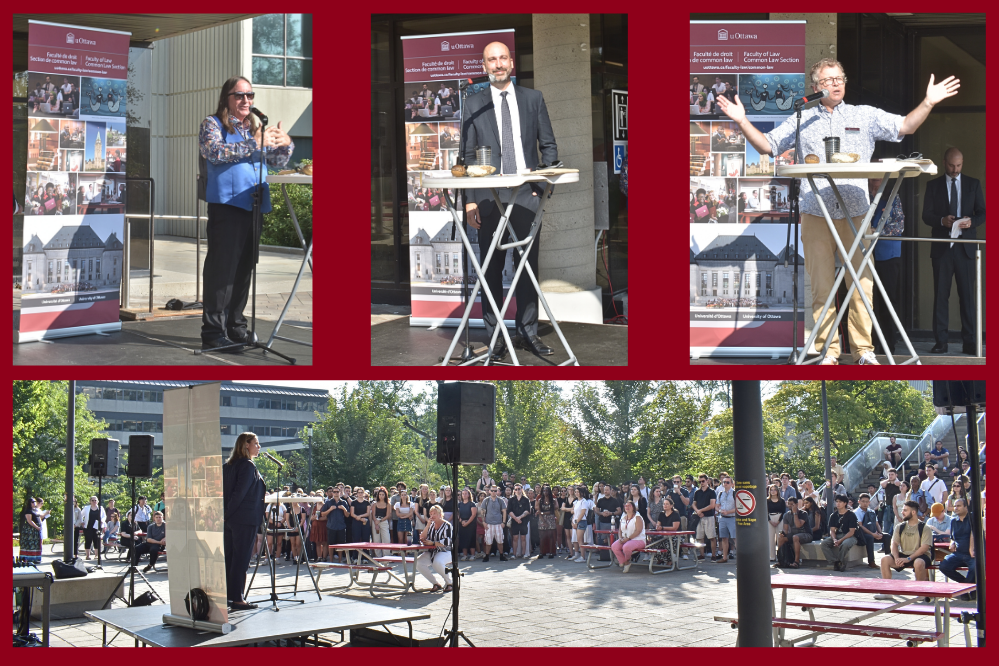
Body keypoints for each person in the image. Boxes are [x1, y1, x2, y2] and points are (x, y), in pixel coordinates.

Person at [717, 59, 960, 365]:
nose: (836, 83)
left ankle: (863, 351)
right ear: (816, 87)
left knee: (861, 284)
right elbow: (768, 146)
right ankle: (828, 351)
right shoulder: (802, 116)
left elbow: (904, 126)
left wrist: (928, 102)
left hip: (856, 211)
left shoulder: (864, 115)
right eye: (828, 80)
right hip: (815, 211)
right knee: (821, 286)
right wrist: (742, 120)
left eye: (840, 78)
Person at [462, 41, 559, 361]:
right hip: (488, 199)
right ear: (484, 65)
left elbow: (549, 147)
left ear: (512, 63)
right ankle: (495, 338)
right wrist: (470, 201)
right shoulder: (473, 103)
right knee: (491, 269)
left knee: (527, 266)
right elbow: (466, 155)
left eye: (503, 58)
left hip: (526, 197)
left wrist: (541, 187)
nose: (498, 64)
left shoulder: (533, 99)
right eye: (492, 59)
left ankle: (528, 332)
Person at [198, 76, 293, 352]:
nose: (246, 101)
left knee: (243, 270)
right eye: (239, 96)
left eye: (250, 96)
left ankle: (236, 327)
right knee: (221, 271)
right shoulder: (212, 124)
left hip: (253, 205)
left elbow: (276, 161)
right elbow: (214, 153)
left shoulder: (253, 127)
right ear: (226, 98)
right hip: (227, 207)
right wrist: (255, 143)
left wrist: (285, 144)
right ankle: (213, 333)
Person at [921, 148, 986, 354]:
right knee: (941, 296)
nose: (955, 170)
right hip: (942, 248)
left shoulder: (973, 184)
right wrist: (942, 220)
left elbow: (983, 213)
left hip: (966, 248)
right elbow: (926, 215)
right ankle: (941, 342)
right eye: (951, 165)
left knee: (968, 297)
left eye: (958, 166)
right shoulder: (933, 185)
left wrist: (970, 222)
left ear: (962, 163)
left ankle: (970, 343)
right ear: (944, 162)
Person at [222, 432, 266, 611]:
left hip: (230, 519)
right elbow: (239, 493)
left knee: (231, 558)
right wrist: (228, 513)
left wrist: (225, 515)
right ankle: (238, 598)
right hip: (243, 518)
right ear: (246, 445)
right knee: (241, 559)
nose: (259, 446)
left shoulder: (228, 465)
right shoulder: (247, 466)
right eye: (256, 443)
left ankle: (229, 595)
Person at [866, 178, 905, 355]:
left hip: (888, 255)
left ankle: (889, 345)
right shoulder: (862, 195)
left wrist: (875, 232)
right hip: (865, 256)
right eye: (873, 177)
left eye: (879, 177)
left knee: (888, 301)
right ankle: (869, 344)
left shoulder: (892, 197)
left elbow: (899, 226)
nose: (876, 181)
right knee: (868, 301)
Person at [875, 501, 933, 598]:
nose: (902, 512)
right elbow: (893, 544)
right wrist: (897, 558)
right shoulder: (900, 526)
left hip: (920, 555)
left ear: (913, 512)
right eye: (902, 510)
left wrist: (909, 559)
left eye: (905, 510)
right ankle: (887, 591)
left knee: (919, 562)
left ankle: (920, 592)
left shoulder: (924, 527)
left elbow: (924, 548)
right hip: (904, 554)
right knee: (885, 559)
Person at [939, 497, 976, 600]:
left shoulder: (973, 518)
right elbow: (953, 537)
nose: (955, 508)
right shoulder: (953, 521)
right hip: (958, 554)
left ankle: (964, 591)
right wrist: (952, 542)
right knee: (943, 566)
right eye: (955, 506)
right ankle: (969, 587)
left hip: (972, 554)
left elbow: (974, 534)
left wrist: (971, 549)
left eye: (958, 506)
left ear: (966, 507)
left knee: (975, 567)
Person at [416, 505, 453, 593]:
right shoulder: (431, 525)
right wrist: (428, 525)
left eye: (434, 514)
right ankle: (435, 583)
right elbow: (422, 537)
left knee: (437, 562)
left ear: (440, 514)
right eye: (431, 514)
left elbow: (447, 541)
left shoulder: (447, 525)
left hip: (445, 551)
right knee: (418, 563)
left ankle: (450, 583)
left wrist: (433, 543)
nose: (432, 516)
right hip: (432, 551)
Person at [820, 495, 859, 572]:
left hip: (849, 536)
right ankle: (835, 561)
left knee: (845, 544)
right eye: (837, 501)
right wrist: (834, 539)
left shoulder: (851, 515)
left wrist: (840, 540)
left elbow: (851, 532)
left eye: (840, 502)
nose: (838, 503)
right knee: (824, 543)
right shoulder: (833, 515)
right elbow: (832, 530)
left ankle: (841, 562)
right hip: (837, 535)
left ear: (845, 503)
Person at [612, 501, 646, 573]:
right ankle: (624, 562)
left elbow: (638, 531)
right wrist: (620, 538)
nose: (627, 507)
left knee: (626, 547)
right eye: (626, 506)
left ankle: (627, 561)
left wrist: (628, 539)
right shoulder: (623, 517)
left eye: (629, 506)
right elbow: (620, 530)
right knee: (614, 546)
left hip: (638, 539)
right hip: (625, 539)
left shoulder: (638, 517)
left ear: (633, 507)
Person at [691, 474, 718, 561]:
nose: (701, 483)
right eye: (700, 481)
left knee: (711, 536)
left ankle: (714, 555)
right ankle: (701, 555)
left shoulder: (711, 492)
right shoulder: (697, 492)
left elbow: (712, 505)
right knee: (699, 536)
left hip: (709, 516)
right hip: (699, 517)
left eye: (703, 481)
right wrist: (698, 511)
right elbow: (693, 504)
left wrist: (700, 510)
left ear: (707, 481)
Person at [478, 485, 508, 562]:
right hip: (489, 524)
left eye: (495, 491)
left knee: (500, 541)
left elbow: (504, 511)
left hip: (498, 523)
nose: (494, 492)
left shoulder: (501, 500)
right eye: (492, 490)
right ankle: (487, 556)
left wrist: (504, 522)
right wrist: (483, 522)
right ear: (489, 491)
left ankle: (501, 555)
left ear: (497, 491)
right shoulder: (486, 500)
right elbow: (482, 512)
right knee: (488, 541)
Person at [854, 493, 883, 569]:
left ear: (869, 502)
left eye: (867, 501)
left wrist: (880, 533)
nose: (865, 503)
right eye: (863, 501)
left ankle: (889, 560)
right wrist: (873, 534)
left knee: (887, 537)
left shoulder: (871, 511)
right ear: (859, 501)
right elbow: (860, 526)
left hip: (873, 532)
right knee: (870, 537)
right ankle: (871, 562)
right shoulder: (856, 512)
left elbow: (877, 524)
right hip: (861, 534)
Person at [534, 484, 558, 559]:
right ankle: (542, 552)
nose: (545, 492)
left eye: (547, 490)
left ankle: (551, 552)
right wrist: (543, 520)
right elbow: (538, 511)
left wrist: (543, 513)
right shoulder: (540, 500)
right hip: (542, 519)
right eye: (544, 490)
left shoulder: (553, 500)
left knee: (551, 536)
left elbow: (552, 511)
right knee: (542, 536)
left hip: (551, 519)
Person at [18, 497, 43, 563]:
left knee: (36, 544)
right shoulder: (28, 511)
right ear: (29, 503)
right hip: (31, 530)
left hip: (36, 530)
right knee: (30, 544)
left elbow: (39, 517)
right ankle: (28, 559)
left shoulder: (35, 510)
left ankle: (36, 558)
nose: (34, 503)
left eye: (35, 501)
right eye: (32, 502)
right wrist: (37, 527)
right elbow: (29, 520)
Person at [766, 484, 786, 563]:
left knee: (780, 538)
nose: (773, 491)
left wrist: (778, 521)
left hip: (779, 519)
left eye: (775, 490)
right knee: (770, 539)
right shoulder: (767, 501)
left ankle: (781, 556)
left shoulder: (782, 500)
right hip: (770, 519)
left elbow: (783, 512)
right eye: (771, 490)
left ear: (777, 491)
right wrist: (770, 521)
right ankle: (772, 556)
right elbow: (765, 512)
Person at [81, 496, 106, 560]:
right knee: (88, 541)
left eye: (95, 500)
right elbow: (81, 515)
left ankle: (97, 555)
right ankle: (87, 555)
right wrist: (82, 522)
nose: (94, 502)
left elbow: (104, 516)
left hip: (97, 527)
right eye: (93, 500)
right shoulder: (86, 508)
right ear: (90, 501)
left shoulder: (101, 508)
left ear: (98, 501)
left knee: (97, 540)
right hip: (88, 527)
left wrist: (102, 520)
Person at [369, 488, 392, 557]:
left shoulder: (388, 504)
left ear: (385, 495)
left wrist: (380, 521)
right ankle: (378, 556)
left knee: (386, 539)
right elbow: (373, 514)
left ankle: (387, 556)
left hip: (384, 521)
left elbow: (388, 515)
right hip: (375, 521)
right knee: (376, 540)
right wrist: (376, 522)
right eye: (380, 494)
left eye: (383, 495)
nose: (381, 496)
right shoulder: (375, 504)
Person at [456, 488, 478, 561]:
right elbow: (457, 514)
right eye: (463, 494)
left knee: (471, 539)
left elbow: (473, 514)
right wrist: (461, 521)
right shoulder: (459, 504)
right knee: (463, 539)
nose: (464, 495)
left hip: (471, 524)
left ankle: (472, 555)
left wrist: (467, 522)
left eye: (466, 493)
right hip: (462, 524)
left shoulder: (472, 504)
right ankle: (465, 555)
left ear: (469, 495)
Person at [311, 488, 330, 562]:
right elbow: (311, 517)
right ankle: (319, 557)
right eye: (317, 496)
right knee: (317, 542)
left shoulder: (325, 505)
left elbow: (326, 517)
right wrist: (314, 518)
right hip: (315, 526)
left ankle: (324, 557)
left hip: (323, 525)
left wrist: (317, 519)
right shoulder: (314, 506)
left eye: (320, 496)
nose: (318, 497)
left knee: (325, 542)